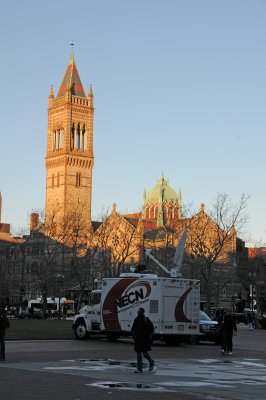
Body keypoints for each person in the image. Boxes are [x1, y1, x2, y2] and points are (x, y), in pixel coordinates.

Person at [131, 307, 155, 373]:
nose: (138, 312)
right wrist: (134, 335)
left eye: (140, 311)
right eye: (138, 311)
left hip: (144, 339)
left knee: (145, 354)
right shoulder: (136, 319)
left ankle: (151, 361)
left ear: (142, 312)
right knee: (138, 354)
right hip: (138, 339)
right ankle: (140, 369)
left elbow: (152, 329)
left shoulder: (146, 319)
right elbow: (133, 329)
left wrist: (148, 335)